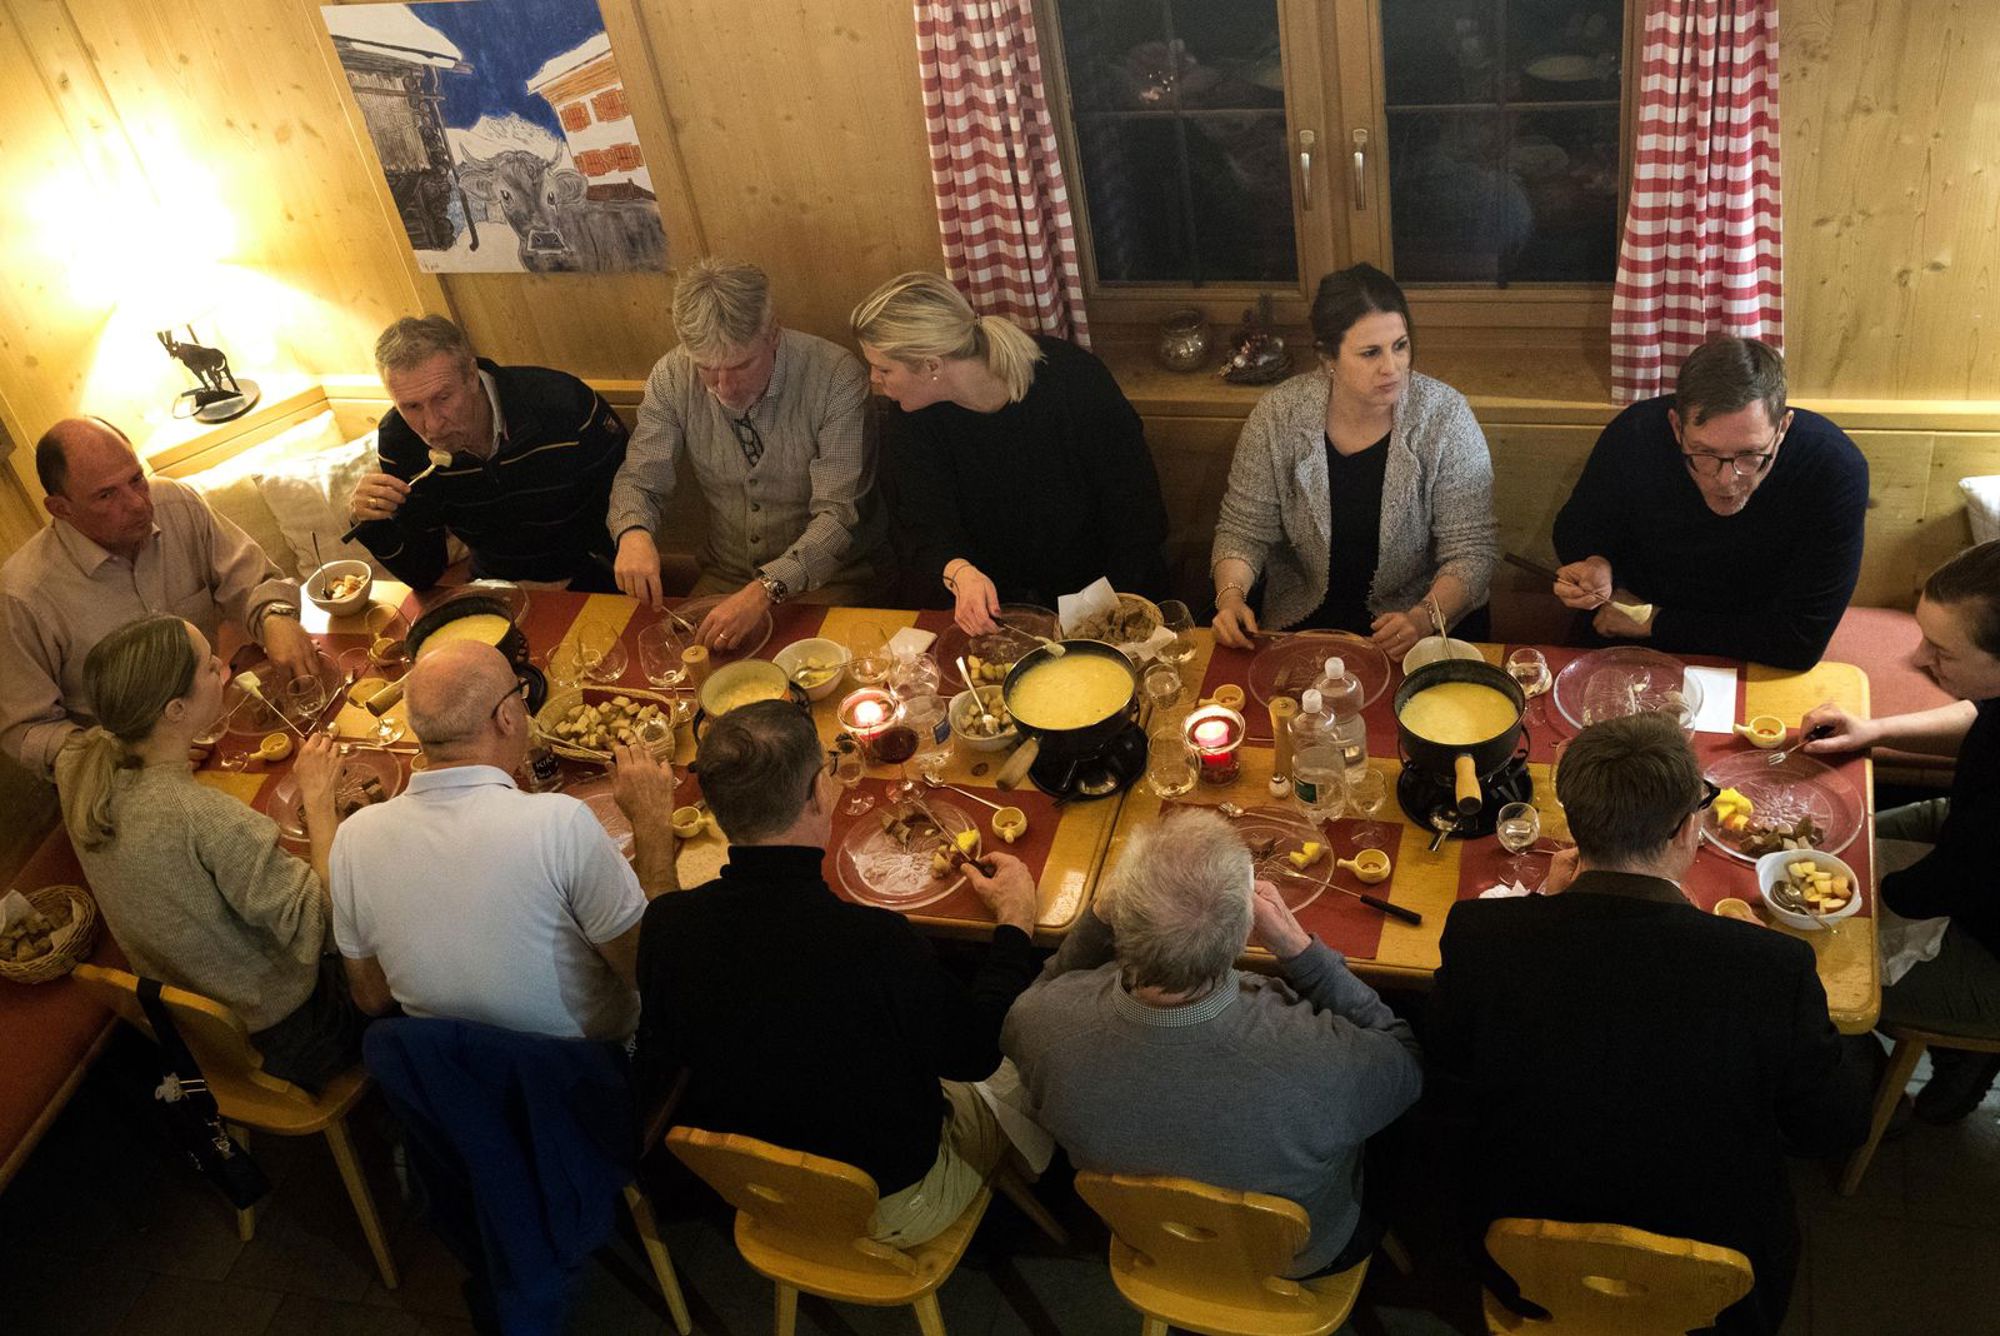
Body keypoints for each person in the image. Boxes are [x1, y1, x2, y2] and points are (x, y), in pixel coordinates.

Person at [1428, 713, 1871, 1335]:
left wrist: (1544, 911)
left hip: (1525, 1268)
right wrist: (1763, 967)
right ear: (1688, 828)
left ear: (1573, 824)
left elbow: (1448, 1085)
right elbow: (1834, 1127)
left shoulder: (1479, 937)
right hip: (1716, 1295)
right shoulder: (1772, 968)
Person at [634, 700, 1041, 1246]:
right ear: (818, 792)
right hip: (885, 1203)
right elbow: (976, 1054)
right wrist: (1014, 926)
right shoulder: (876, 943)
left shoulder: (666, 928)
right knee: (1034, 1048)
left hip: (761, 1193)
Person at [1002, 807, 1422, 1278]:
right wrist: (1299, 950)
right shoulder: (1315, 1055)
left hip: (1148, 1238)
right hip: (1297, 1255)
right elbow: (1404, 1060)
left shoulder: (1038, 1024)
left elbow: (1041, 993)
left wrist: (1097, 920)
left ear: (1119, 917)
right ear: (1245, 933)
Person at [54, 616, 361, 1091]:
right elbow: (326, 922)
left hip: (197, 1033)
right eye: (209, 666)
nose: (223, 664)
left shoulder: (78, 766)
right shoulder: (205, 819)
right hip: (292, 1034)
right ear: (175, 710)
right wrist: (319, 800)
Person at [329, 640, 675, 1041]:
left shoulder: (351, 838)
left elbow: (371, 997)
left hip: (456, 1069)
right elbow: (650, 973)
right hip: (589, 1067)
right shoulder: (561, 823)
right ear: (507, 717)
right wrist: (652, 824)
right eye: (519, 693)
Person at [1801, 540, 2000, 1119]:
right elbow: (1985, 716)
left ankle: (1890, 1094)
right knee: (1828, 845)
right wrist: (1875, 730)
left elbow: (1935, 888)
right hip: (1966, 843)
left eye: (1941, 651)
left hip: (1988, 930)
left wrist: (1852, 900)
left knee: (1805, 968)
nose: (1916, 660)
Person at [1, 417, 318, 777]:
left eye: (136, 479)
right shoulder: (23, 594)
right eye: (107, 495)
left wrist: (275, 615)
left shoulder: (177, 503)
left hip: (219, 726)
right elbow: (25, 731)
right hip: (126, 774)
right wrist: (129, 753)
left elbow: (254, 580)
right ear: (61, 509)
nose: (138, 504)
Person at [1210, 264, 1498, 659]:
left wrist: (1422, 618)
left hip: (1420, 622)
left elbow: (1472, 550)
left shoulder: (1445, 417)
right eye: (1370, 353)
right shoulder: (1280, 415)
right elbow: (1244, 530)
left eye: (1400, 346)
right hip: (1305, 617)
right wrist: (1230, 598)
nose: (1391, 367)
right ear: (1327, 356)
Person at [852, 272, 1169, 632]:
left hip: (1107, 599)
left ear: (932, 366)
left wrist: (1099, 619)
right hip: (999, 614)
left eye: (883, 368)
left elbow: (1138, 512)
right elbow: (923, 526)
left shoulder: (1072, 380)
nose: (873, 379)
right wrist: (960, 573)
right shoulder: (912, 414)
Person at [608, 258, 889, 649]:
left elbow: (839, 517)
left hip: (832, 581)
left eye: (741, 365)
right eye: (707, 367)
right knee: (677, 666)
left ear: (773, 333)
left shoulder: (835, 376)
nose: (724, 387)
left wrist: (766, 588)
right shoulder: (670, 377)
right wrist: (633, 532)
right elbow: (640, 478)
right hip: (726, 576)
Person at [1551, 336, 1868, 669]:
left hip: (1754, 651)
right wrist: (1596, 561)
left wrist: (1656, 622)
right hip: (1623, 627)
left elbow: (1799, 642)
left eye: (1750, 455)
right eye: (1704, 453)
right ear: (1677, 427)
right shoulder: (1635, 435)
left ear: (1782, 429)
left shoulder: (1833, 469)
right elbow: (1575, 531)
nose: (1726, 480)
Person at [345, 316, 629, 591]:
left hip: (594, 572)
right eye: (412, 407)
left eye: (443, 398)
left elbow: (631, 492)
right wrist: (370, 522)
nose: (432, 425)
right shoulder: (401, 442)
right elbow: (424, 572)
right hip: (496, 583)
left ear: (471, 376)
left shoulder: (564, 403)